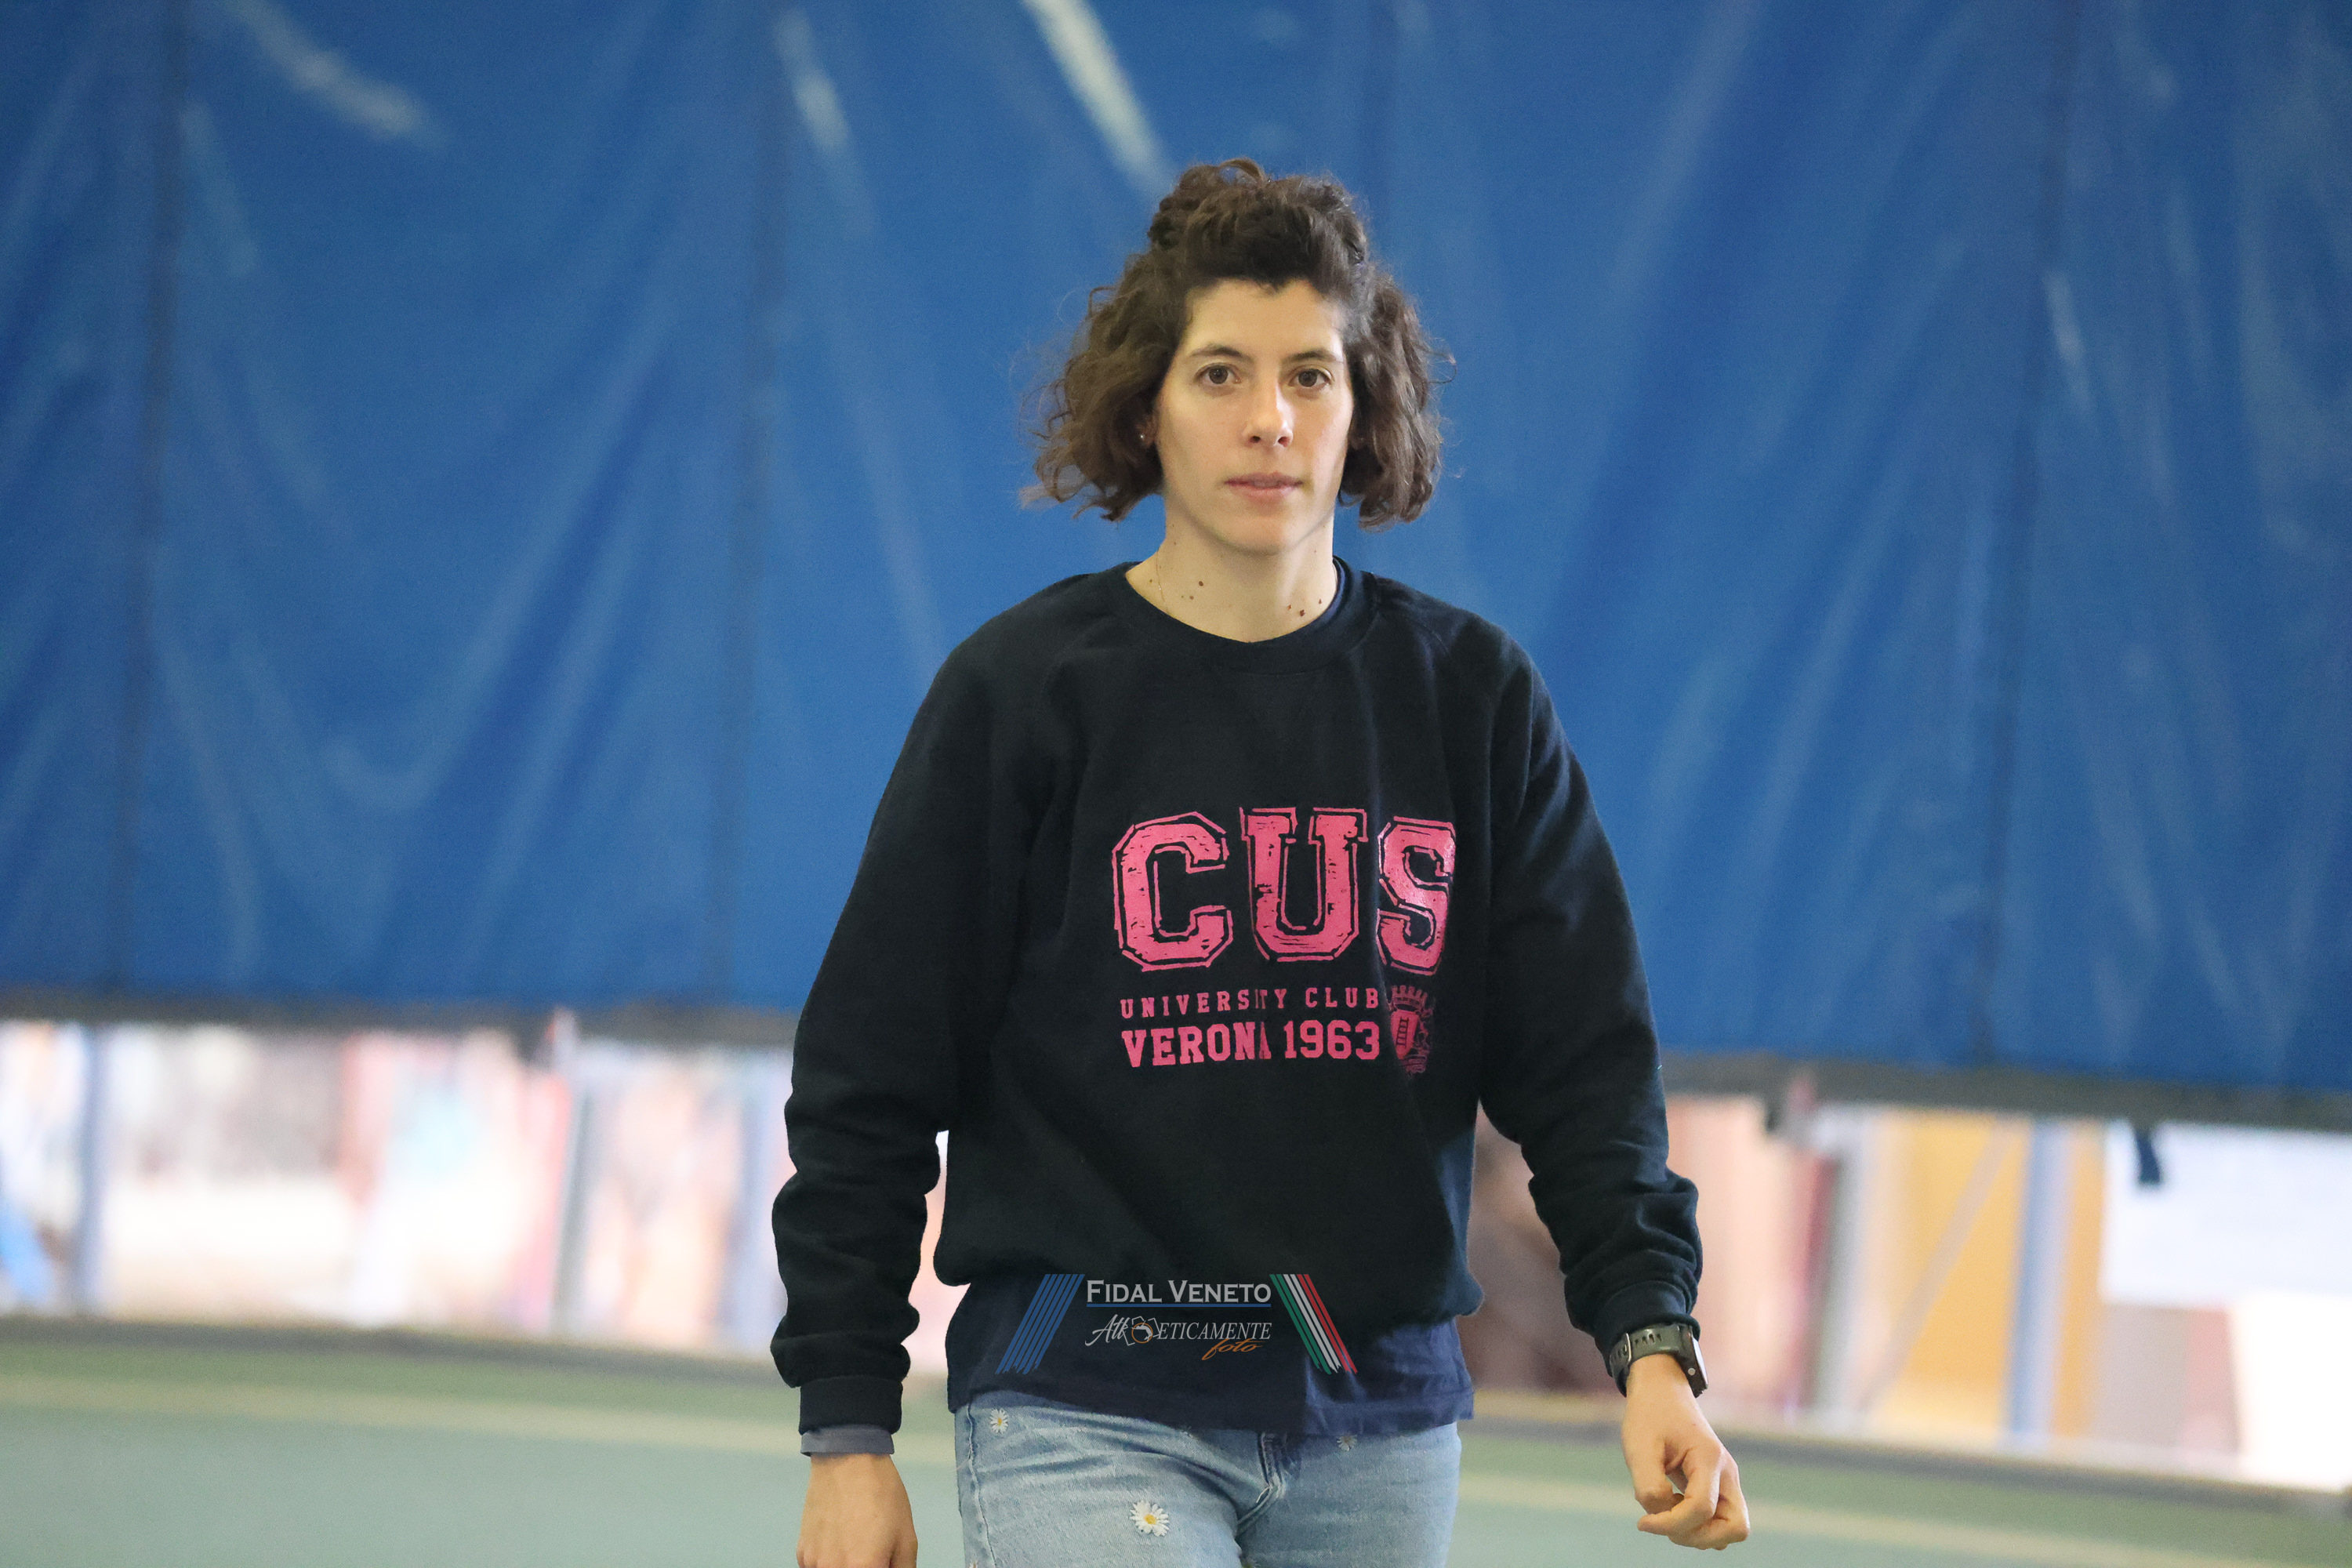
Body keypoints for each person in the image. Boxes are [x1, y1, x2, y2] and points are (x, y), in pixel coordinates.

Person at [773, 158, 1748, 1567]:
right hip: (1085, 1401)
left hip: (1378, 1424)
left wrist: (1652, 1347)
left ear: (1365, 410)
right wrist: (849, 1429)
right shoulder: (1022, 696)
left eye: (1310, 376)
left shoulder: (1471, 702)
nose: (1269, 418)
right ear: (1148, 409)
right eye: (1220, 373)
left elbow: (1587, 1069)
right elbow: (869, 1077)